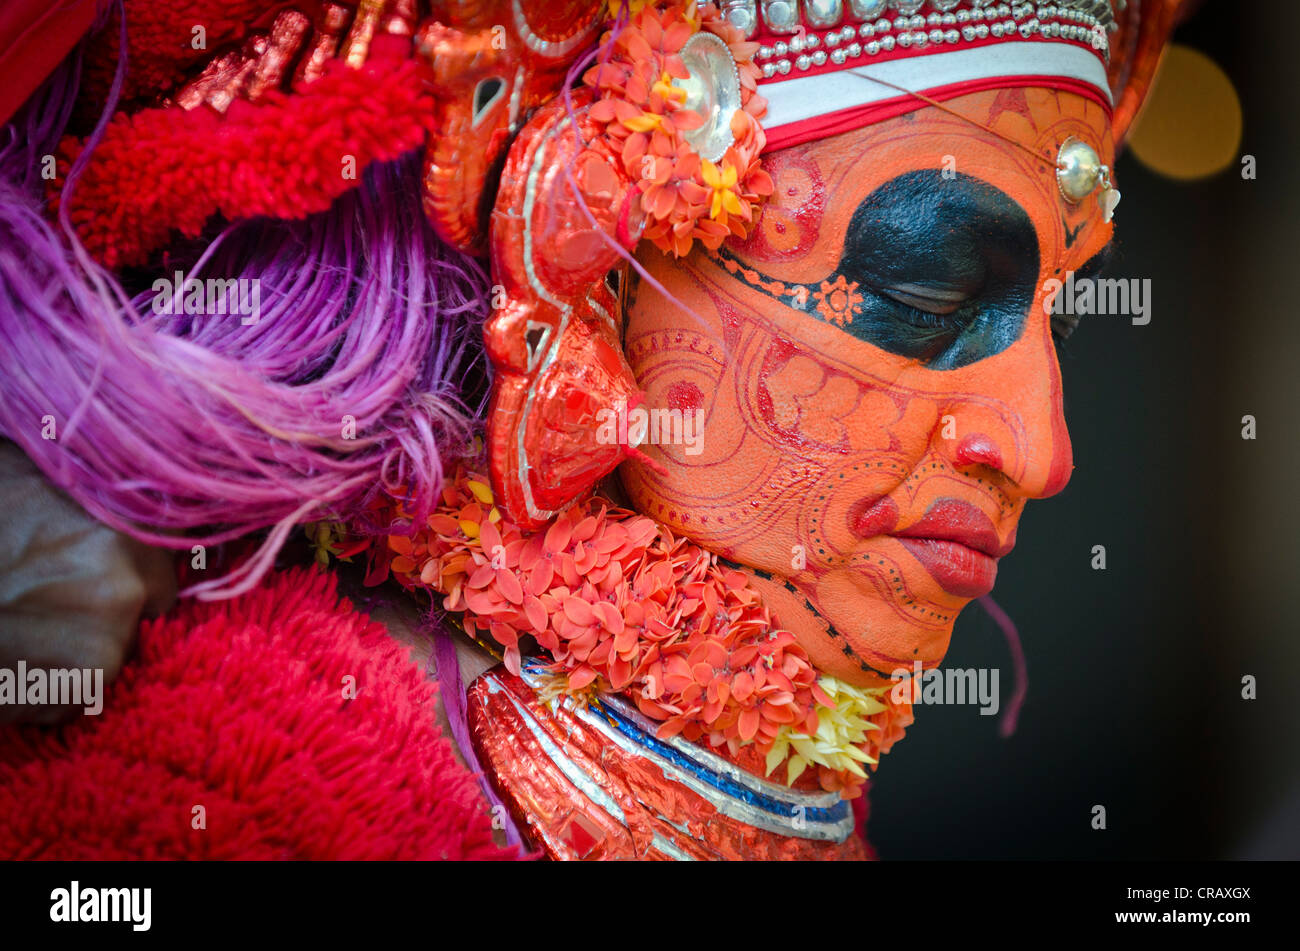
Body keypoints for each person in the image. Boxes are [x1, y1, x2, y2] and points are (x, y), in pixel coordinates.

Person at [0, 0, 1186, 860]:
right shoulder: (247, 779)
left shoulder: (801, 789)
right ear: (603, 262)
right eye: (932, 293)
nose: (1039, 451)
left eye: (1052, 323)